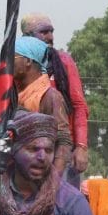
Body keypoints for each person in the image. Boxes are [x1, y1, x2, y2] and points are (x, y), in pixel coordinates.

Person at [21, 13, 89, 179]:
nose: (50, 37)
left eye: (51, 31)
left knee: (61, 201)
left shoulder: (64, 61)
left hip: (62, 147)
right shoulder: (20, 63)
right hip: (26, 148)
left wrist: (81, 146)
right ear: (27, 36)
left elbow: (79, 105)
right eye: (43, 32)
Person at [13, 36, 72, 174]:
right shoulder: (12, 96)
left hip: (43, 176)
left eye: (12, 58)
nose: (6, 64)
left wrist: (54, 181)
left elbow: (63, 141)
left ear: (28, 61)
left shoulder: (50, 96)